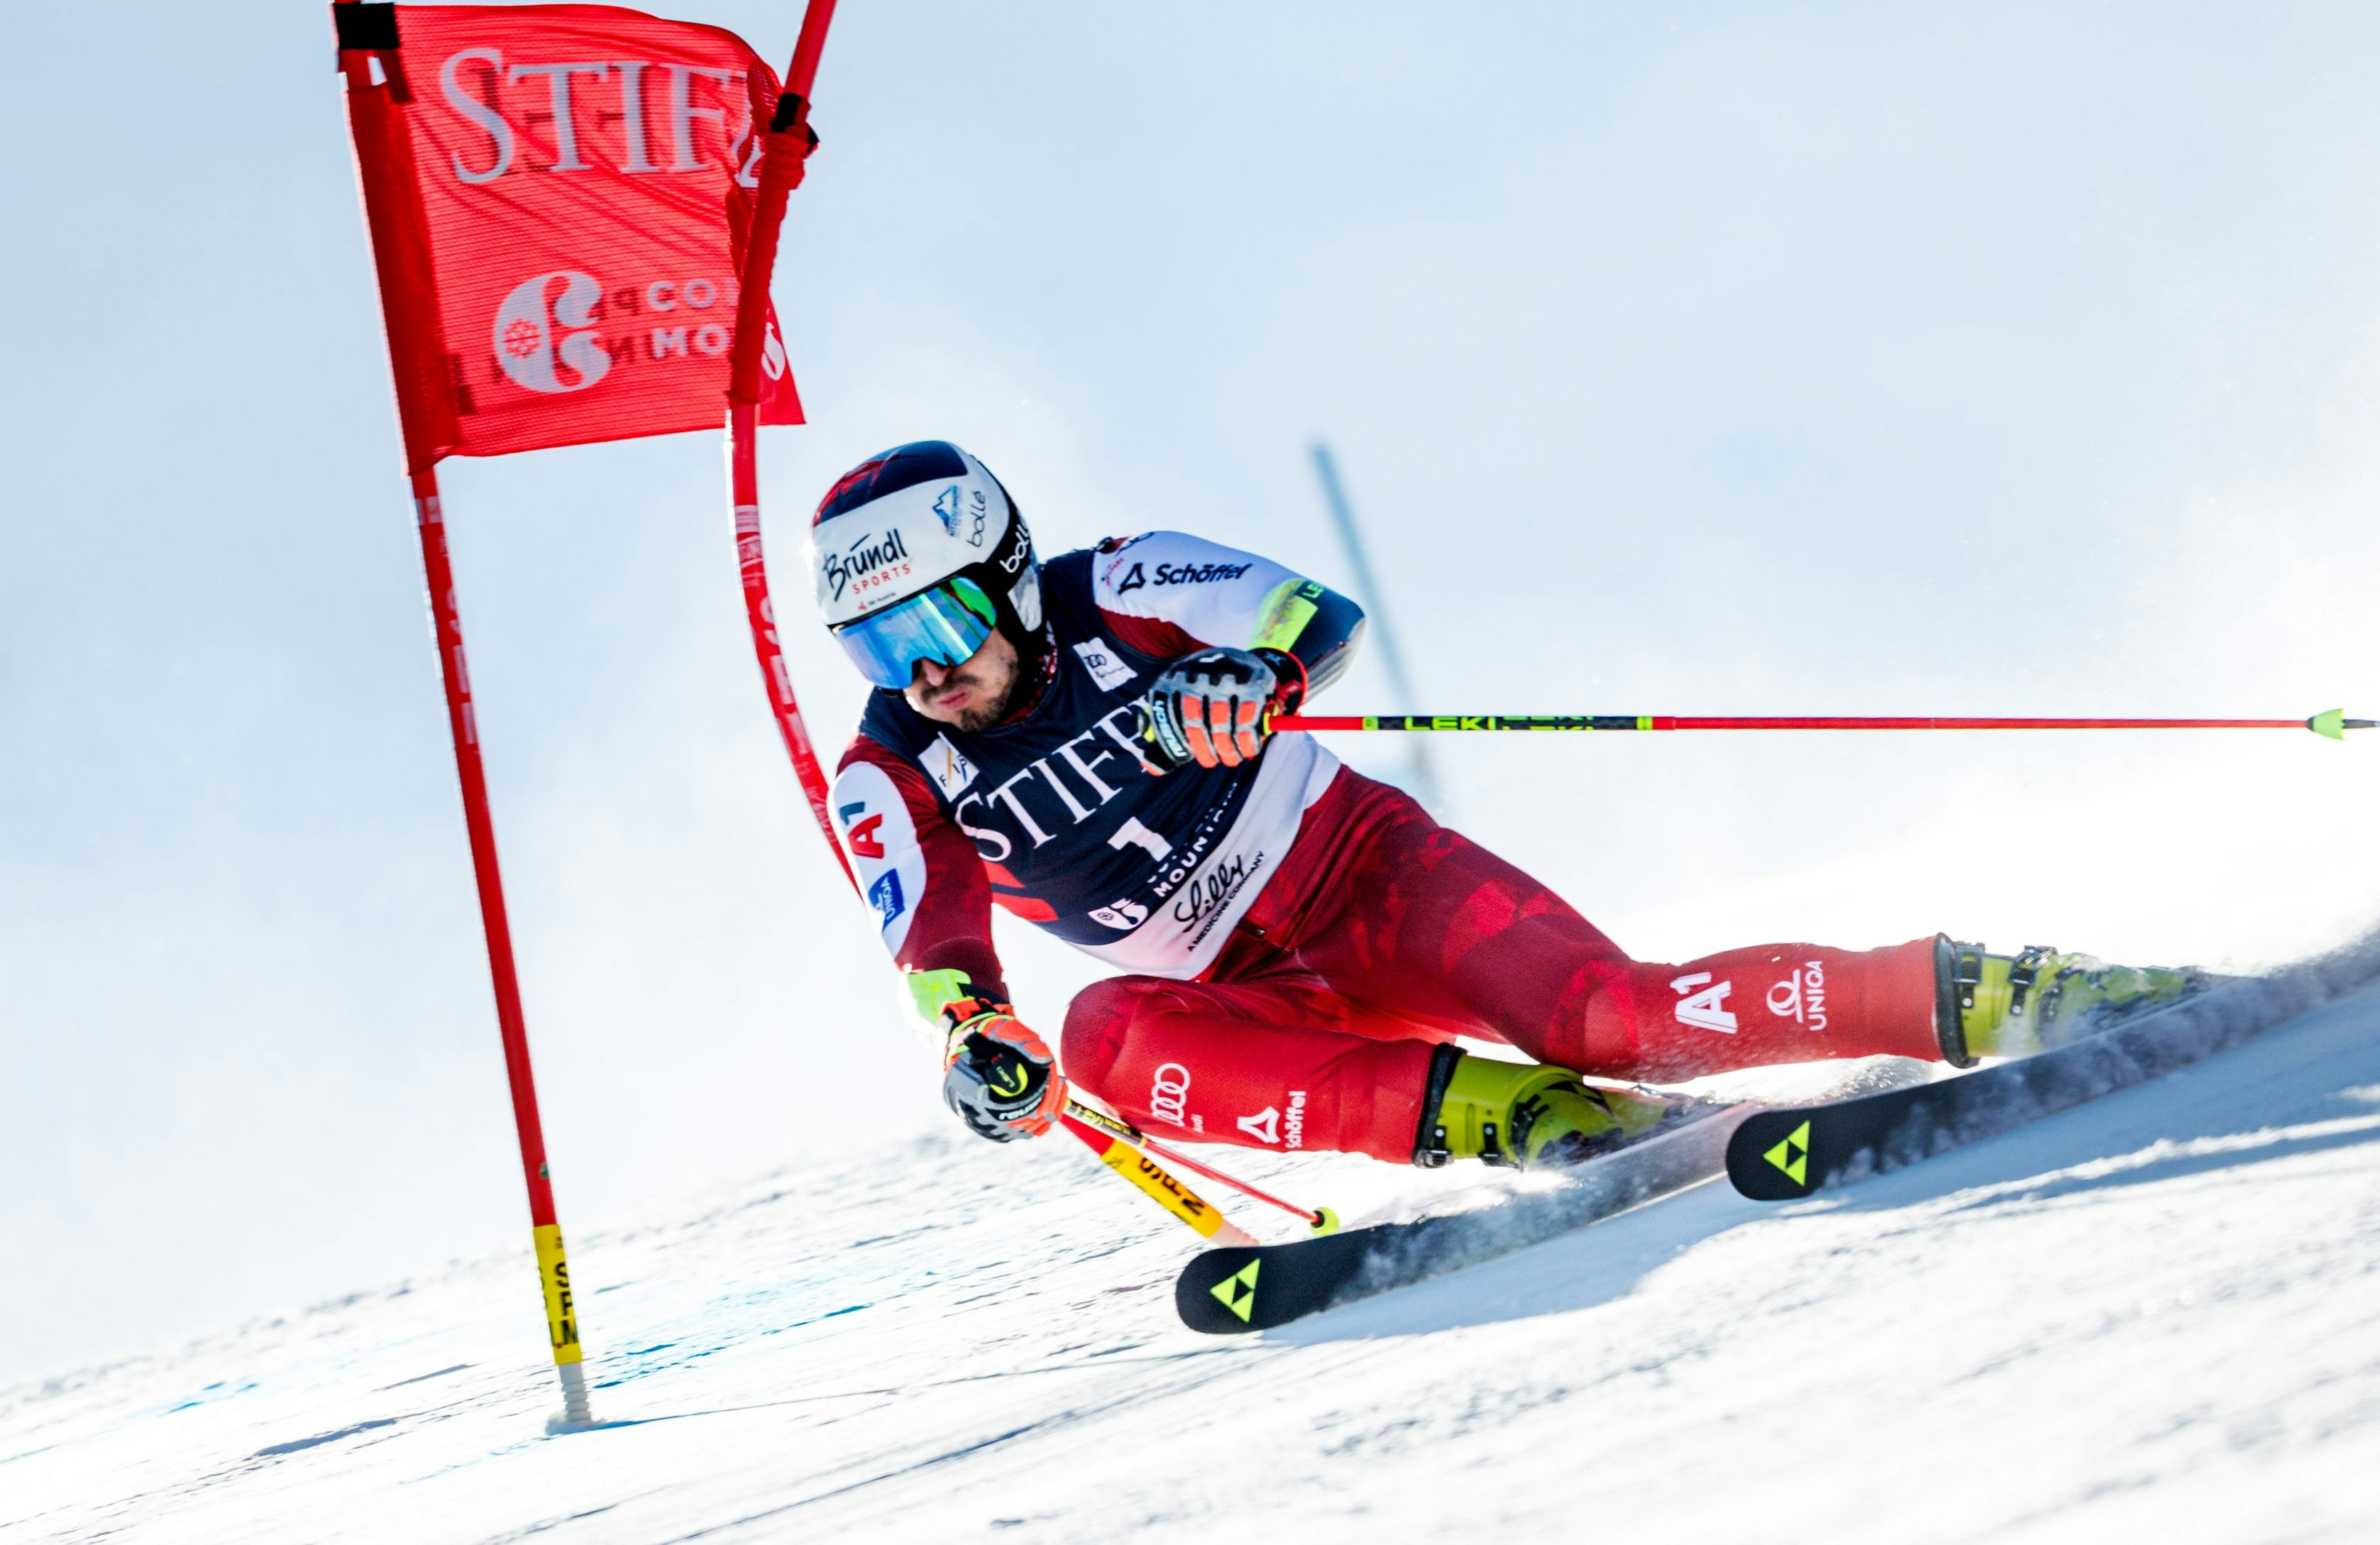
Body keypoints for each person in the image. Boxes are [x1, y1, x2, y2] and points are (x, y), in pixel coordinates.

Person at [812, 440, 2178, 1168]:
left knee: (1614, 1020)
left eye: (935, 621)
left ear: (1003, 571)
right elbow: (936, 945)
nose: (921, 670)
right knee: (1105, 1036)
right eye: (875, 647)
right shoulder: (891, 769)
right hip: (1247, 999)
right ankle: (1526, 1121)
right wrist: (976, 1037)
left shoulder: (1121, 582)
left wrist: (1257, 672)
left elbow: (1310, 613)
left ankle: (1996, 990)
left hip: (1362, 879)